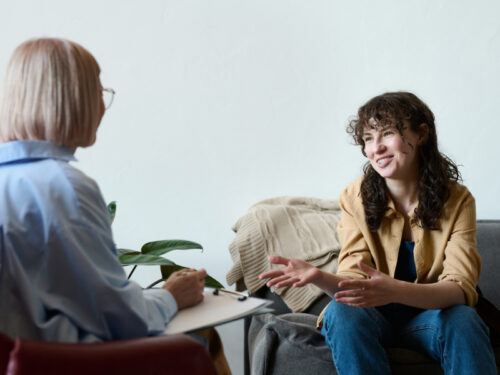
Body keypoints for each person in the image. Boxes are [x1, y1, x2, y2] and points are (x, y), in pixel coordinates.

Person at [259, 92, 497, 374]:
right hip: (373, 320)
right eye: (368, 138)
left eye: (387, 133)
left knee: (463, 319)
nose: (376, 148)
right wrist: (320, 277)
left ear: (421, 134)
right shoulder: (354, 196)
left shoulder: (458, 200)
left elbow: (459, 291)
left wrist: (394, 291)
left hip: (431, 320)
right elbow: (353, 284)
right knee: (340, 312)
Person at [0, 38, 207, 343]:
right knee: (201, 338)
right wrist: (172, 295)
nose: (103, 107)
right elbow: (124, 321)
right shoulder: (63, 189)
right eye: (99, 92)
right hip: (62, 363)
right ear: (74, 99)